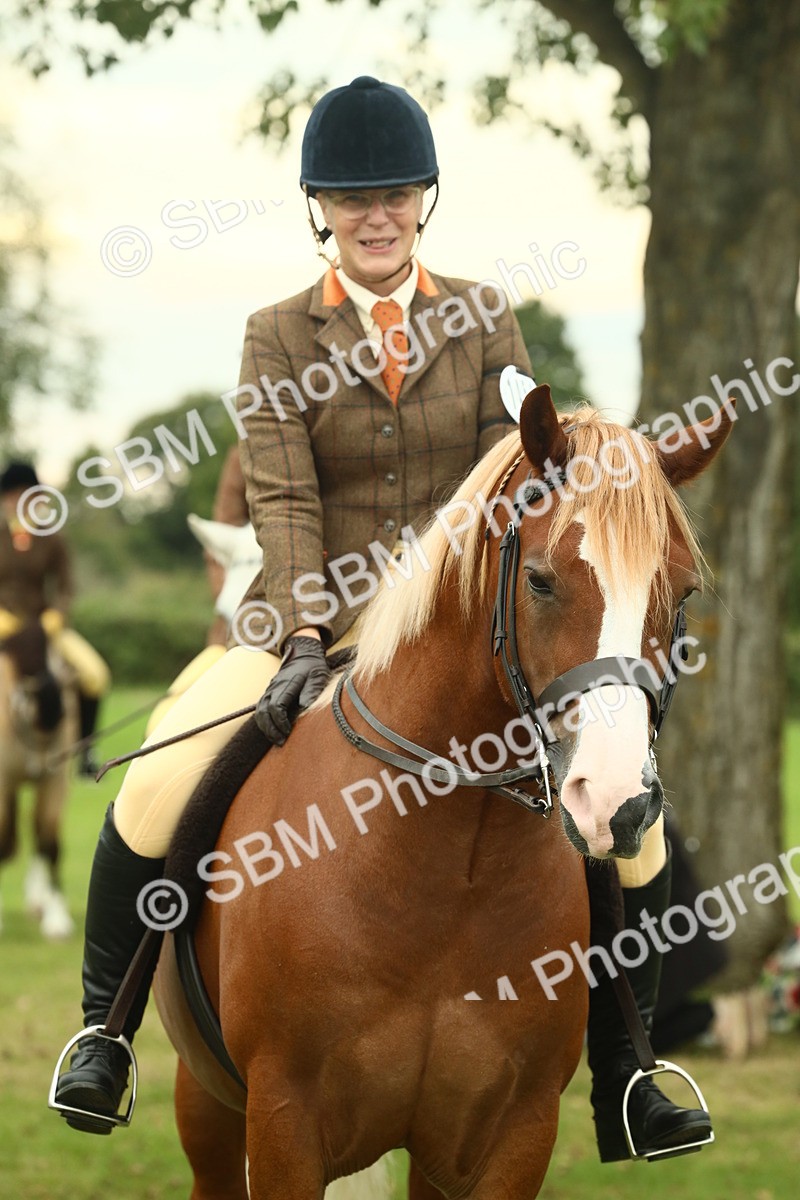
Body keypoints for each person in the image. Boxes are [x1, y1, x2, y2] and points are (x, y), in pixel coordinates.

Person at [51, 76, 711, 1160]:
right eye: (353, 198)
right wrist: (307, 632)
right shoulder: (275, 335)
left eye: (395, 194)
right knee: (158, 782)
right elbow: (284, 499)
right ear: (319, 207)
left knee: (625, 826)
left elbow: (518, 473)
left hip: (458, 637)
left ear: (423, 200)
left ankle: (631, 1075)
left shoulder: (484, 317)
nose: (376, 215)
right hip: (306, 624)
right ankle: (104, 1034)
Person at [0, 460, 110, 775]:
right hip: (4, 627)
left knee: (95, 674)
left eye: (25, 495)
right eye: (12, 496)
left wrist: (56, 616)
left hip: (43, 627)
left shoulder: (52, 536)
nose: (18, 503)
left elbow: (66, 587)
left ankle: (85, 752)